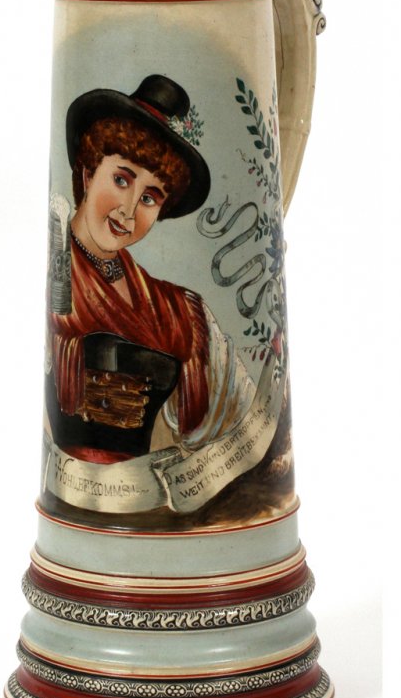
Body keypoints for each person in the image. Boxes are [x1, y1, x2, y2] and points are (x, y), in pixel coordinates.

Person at [47, 74, 258, 464]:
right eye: (121, 179)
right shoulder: (52, 273)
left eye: (149, 198)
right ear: (89, 172)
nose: (128, 211)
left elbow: (243, 420)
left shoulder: (180, 311)